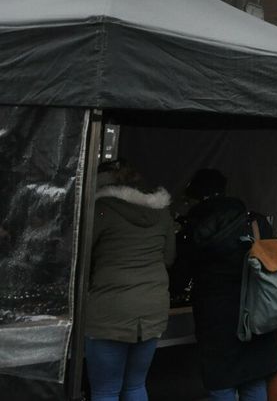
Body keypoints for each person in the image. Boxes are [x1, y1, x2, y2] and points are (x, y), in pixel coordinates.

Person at [175, 169, 277, 400]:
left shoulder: (192, 229)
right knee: (254, 381)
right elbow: (276, 262)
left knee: (221, 384)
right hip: (255, 314)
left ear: (197, 197)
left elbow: (179, 278)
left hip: (215, 320)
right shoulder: (256, 223)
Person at [84, 163, 174, 401]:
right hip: (152, 305)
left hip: (110, 308)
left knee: (106, 390)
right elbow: (169, 257)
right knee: (135, 385)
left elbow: (79, 256)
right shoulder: (162, 212)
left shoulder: (101, 210)